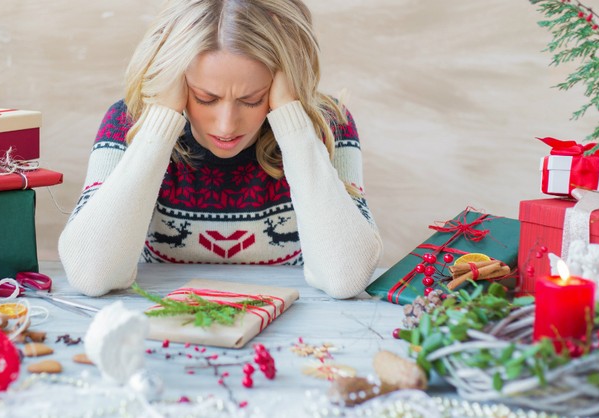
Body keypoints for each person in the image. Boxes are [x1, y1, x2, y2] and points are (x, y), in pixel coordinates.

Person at [58, 0, 382, 298]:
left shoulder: (328, 124)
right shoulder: (127, 123)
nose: (227, 125)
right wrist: (159, 123)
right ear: (178, 80)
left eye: (252, 99)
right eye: (206, 98)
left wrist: (293, 124)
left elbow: (345, 277)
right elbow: (91, 274)